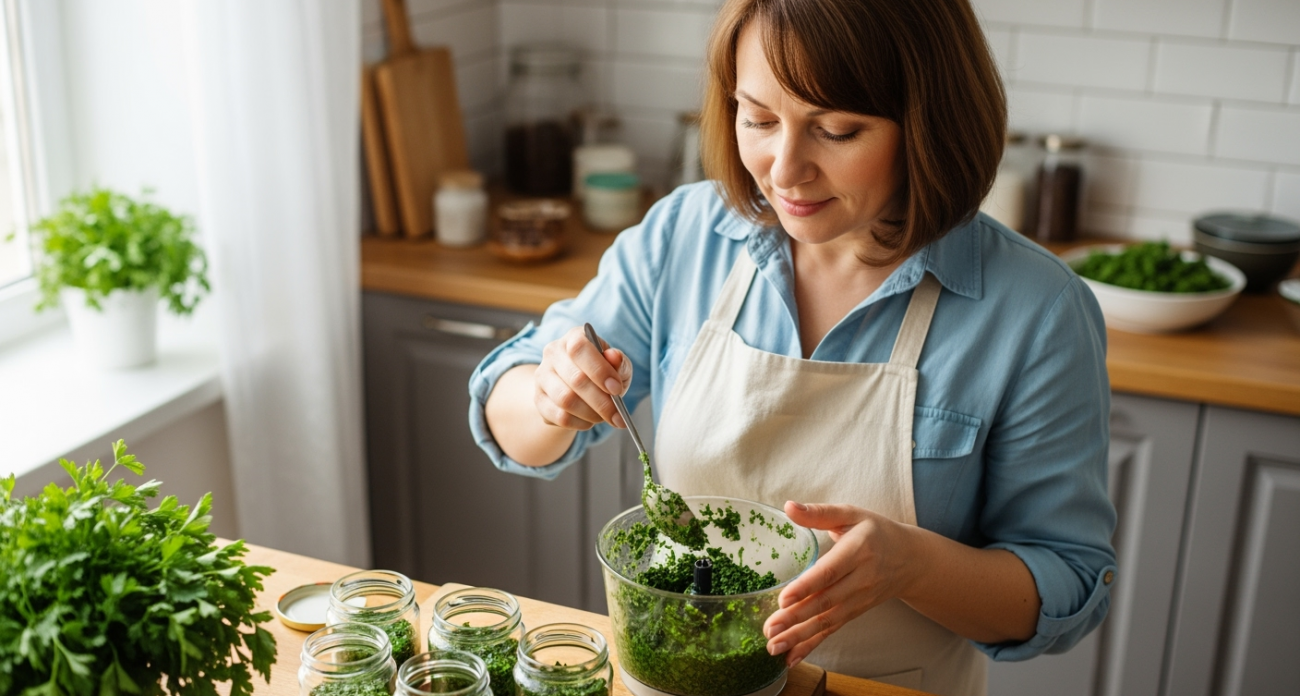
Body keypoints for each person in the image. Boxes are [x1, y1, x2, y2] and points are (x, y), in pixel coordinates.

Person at [468, 0, 1117, 694]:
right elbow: (507, 408)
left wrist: (913, 565)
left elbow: (1067, 582)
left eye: (836, 130)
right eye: (759, 119)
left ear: (929, 123)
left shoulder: (1036, 310)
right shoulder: (687, 235)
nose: (784, 170)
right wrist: (549, 394)